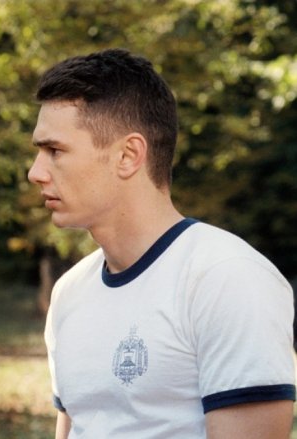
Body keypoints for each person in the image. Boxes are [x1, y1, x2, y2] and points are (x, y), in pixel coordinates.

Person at [28, 49, 295, 438]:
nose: (36, 172)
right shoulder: (69, 292)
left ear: (128, 155)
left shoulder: (227, 278)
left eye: (55, 151)